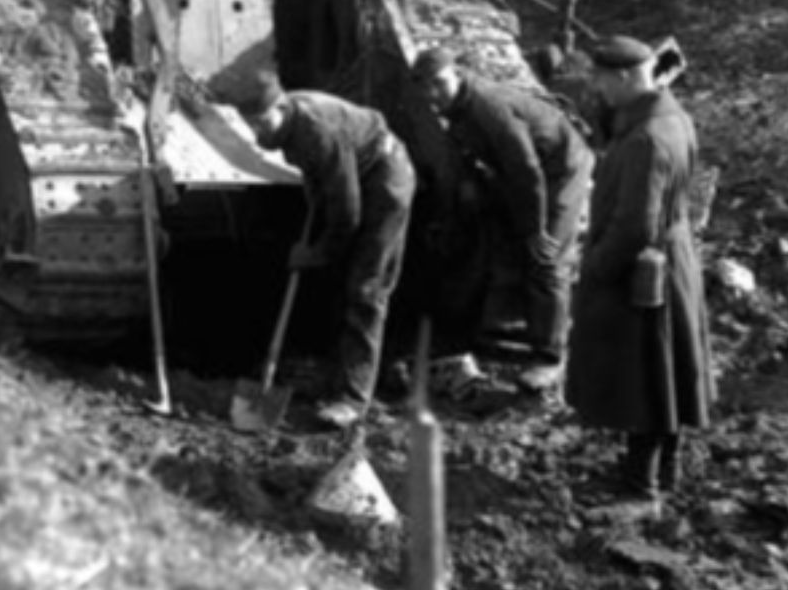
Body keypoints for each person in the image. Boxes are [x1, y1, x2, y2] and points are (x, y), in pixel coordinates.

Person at [565, 35, 713, 510]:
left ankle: (639, 486)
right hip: (673, 259)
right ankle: (662, 471)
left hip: (644, 272)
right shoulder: (675, 118)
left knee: (643, 377)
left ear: (628, 77)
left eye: (603, 80)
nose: (598, 89)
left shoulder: (646, 139)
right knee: (665, 372)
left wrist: (595, 272)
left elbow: (634, 226)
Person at [235, 72, 415, 430]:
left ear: (283, 107)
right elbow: (324, 178)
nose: (258, 133)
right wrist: (315, 214)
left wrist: (316, 252)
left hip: (385, 177)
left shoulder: (317, 130)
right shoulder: (291, 122)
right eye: (250, 125)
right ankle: (340, 371)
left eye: (262, 122)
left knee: (366, 288)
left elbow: (347, 213)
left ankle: (353, 399)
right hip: (354, 171)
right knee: (341, 278)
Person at [411, 47, 595, 393]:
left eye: (439, 83)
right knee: (495, 235)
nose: (433, 93)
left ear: (458, 75)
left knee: (547, 258)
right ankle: (509, 325)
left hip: (559, 169)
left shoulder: (487, 106)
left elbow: (528, 171)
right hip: (520, 173)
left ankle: (550, 357)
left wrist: (536, 228)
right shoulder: (455, 108)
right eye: (425, 87)